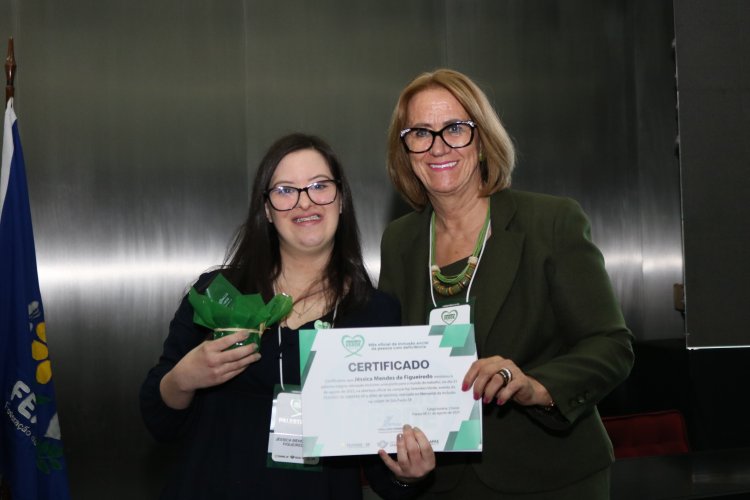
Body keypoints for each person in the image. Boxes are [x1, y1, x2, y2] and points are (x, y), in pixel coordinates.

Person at [378, 69, 634, 499]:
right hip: (441, 480)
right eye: (421, 132)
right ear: (405, 149)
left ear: (482, 139)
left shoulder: (550, 222)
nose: (438, 146)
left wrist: (535, 387)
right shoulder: (399, 240)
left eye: (455, 129)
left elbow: (611, 346)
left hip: (550, 477)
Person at [140, 133, 434, 499]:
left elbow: (381, 469)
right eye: (284, 190)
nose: (304, 202)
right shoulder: (217, 294)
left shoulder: (376, 312)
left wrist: (408, 474)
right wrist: (185, 377)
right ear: (266, 209)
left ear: (340, 199)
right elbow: (159, 421)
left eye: (319, 186)